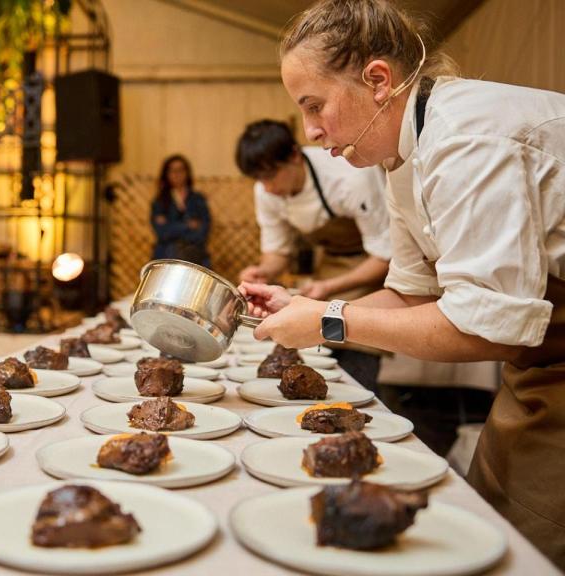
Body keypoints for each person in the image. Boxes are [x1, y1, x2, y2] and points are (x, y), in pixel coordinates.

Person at [239, 0, 565, 565]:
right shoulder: (400, 157)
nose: (310, 131)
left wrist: (329, 320)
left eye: (314, 106)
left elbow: (488, 330)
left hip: (541, 357)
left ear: (378, 80)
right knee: (489, 514)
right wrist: (305, 310)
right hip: (542, 364)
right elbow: (412, 292)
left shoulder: (467, 138)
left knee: (527, 540)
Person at [236, 119, 391, 388]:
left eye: (271, 175)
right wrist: (264, 271)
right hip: (329, 268)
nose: (267, 187)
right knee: (319, 358)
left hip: (372, 269)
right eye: (259, 179)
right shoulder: (265, 190)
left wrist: (330, 287)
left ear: (294, 156)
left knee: (358, 359)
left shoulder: (350, 177)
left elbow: (385, 256)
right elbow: (277, 252)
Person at [150, 155, 211, 268]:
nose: (177, 174)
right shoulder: (160, 202)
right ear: (166, 174)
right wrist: (188, 226)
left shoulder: (198, 200)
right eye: (172, 170)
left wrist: (171, 226)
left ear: (187, 173)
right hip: (166, 258)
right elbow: (162, 233)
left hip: (194, 256)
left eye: (180, 170)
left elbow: (202, 233)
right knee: (171, 250)